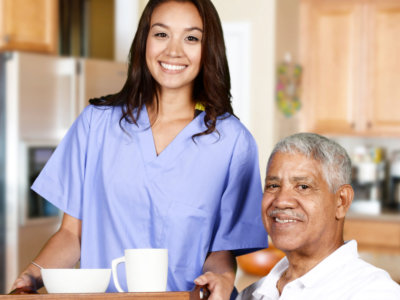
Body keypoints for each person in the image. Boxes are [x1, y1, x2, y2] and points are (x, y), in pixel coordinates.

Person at [11, 0, 268, 298]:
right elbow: (72, 235)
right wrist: (30, 277)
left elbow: (220, 251)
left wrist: (222, 278)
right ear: (144, 41)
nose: (173, 51)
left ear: (208, 50)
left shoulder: (233, 142)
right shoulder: (96, 124)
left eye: (191, 38)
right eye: (161, 34)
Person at [237, 133, 400, 300]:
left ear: (341, 201)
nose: (281, 201)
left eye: (303, 186)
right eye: (273, 185)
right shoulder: (251, 294)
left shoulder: (376, 292)